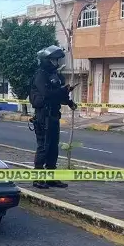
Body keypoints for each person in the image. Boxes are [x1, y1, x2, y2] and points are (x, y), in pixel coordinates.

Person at [29, 45, 77, 189]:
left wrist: (69, 101)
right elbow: (47, 94)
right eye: (55, 60)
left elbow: (58, 95)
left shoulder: (55, 75)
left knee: (53, 148)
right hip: (43, 116)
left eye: (58, 60)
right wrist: (63, 90)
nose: (57, 63)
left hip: (54, 115)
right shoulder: (40, 75)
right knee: (43, 147)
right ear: (47, 60)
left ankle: (51, 178)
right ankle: (38, 179)